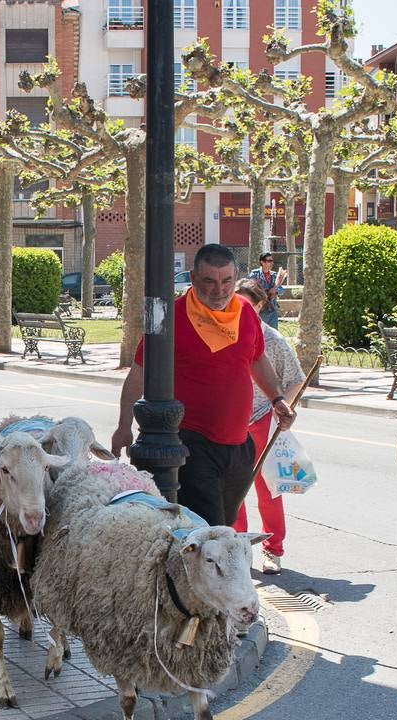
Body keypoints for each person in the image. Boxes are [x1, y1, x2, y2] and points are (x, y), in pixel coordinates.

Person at [111, 244, 296, 526]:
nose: (218, 290)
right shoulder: (168, 315)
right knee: (210, 529)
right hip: (192, 444)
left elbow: (257, 359)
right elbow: (138, 372)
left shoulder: (245, 311)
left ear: (237, 278)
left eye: (227, 281)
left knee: (225, 525)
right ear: (194, 279)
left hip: (238, 445)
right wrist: (124, 426)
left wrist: (277, 399)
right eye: (209, 281)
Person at [231, 280, 306, 574]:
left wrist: (279, 407)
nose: (240, 308)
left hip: (262, 419)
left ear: (260, 306)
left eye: (247, 304)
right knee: (233, 489)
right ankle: (238, 547)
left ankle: (272, 551)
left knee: (268, 491)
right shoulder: (226, 334)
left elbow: (296, 379)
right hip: (231, 420)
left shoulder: (272, 340)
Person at [247, 252, 282, 329]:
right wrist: (266, 292)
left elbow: (281, 290)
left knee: (273, 333)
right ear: (262, 262)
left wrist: (275, 290)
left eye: (272, 261)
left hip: (272, 309)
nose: (271, 263)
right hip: (260, 309)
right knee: (260, 332)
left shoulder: (274, 275)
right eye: (269, 261)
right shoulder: (255, 274)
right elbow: (250, 289)